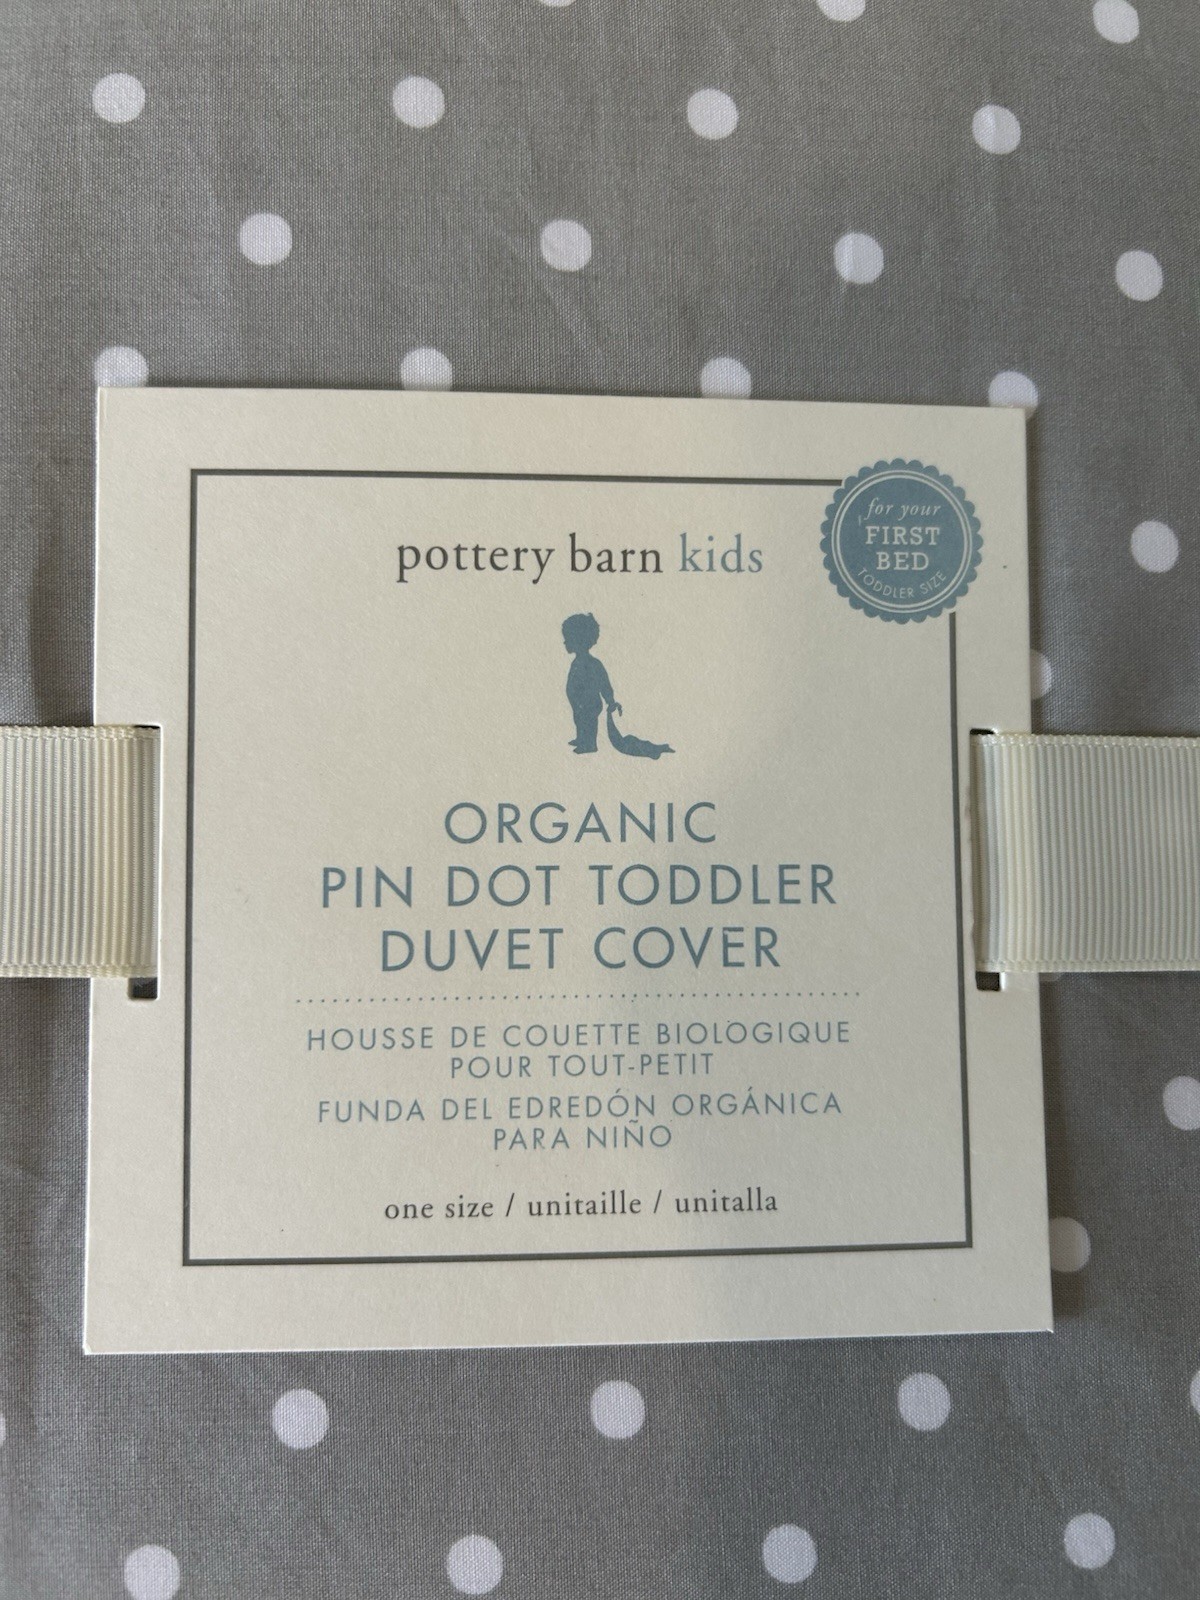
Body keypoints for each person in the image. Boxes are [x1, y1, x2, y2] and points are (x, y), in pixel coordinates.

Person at [561, 612, 620, 753]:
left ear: (579, 641)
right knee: (579, 721)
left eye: (568, 639)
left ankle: (590, 745)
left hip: (590, 704)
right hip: (579, 703)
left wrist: (610, 700)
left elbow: (604, 683)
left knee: (589, 724)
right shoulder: (576, 662)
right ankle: (581, 739)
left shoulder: (593, 663)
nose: (565, 642)